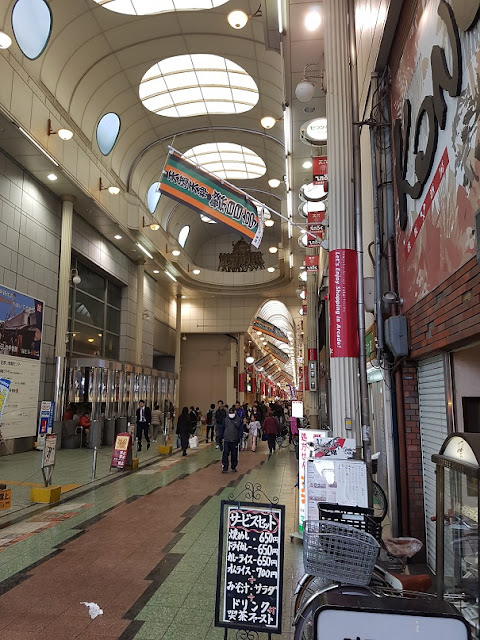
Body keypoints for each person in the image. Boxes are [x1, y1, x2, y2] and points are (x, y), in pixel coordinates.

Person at [217, 406, 243, 473]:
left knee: (234, 454)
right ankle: (225, 467)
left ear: (235, 412)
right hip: (227, 440)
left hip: (235, 440)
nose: (231, 414)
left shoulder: (238, 420)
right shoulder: (225, 420)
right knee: (225, 454)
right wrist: (219, 437)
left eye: (232, 412)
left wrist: (240, 437)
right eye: (230, 412)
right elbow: (222, 429)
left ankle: (233, 467)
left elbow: (240, 429)